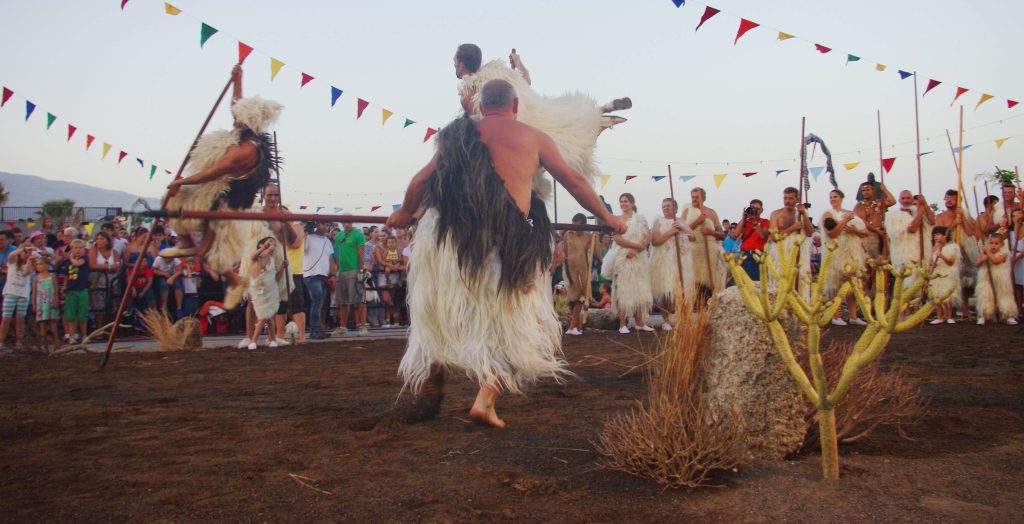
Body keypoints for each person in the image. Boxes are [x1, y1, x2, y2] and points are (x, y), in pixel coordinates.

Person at [387, 78, 625, 428]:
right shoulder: (534, 137)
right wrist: (607, 217)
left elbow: (421, 181)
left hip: (451, 243)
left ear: (482, 107)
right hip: (506, 247)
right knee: (520, 325)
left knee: (440, 312)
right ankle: (485, 400)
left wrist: (405, 214)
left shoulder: (458, 137)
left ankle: (434, 373)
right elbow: (574, 181)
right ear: (515, 107)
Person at [161, 64, 283, 309]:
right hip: (219, 192)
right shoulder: (242, 131)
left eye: (239, 115)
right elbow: (236, 103)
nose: (234, 116)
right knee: (170, 202)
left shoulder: (246, 149)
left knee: (207, 251)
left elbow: (213, 172)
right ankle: (185, 242)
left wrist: (181, 182)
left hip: (228, 200)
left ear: (247, 120)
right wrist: (238, 79)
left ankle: (235, 280)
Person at [454, 43, 630, 199]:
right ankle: (600, 110)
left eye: (454, 61)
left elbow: (478, 127)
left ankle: (600, 112)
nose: (454, 64)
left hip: (510, 135)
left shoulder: (468, 91)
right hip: (529, 118)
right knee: (564, 122)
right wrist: (518, 62)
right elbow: (527, 81)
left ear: (461, 64)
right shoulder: (499, 73)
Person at [602, 193, 654, 334]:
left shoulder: (641, 219)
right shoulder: (617, 220)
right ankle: (623, 323)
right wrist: (634, 247)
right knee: (622, 289)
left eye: (625, 201)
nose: (623, 203)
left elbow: (646, 236)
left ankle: (639, 322)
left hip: (639, 259)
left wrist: (636, 250)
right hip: (622, 257)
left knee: (639, 288)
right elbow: (617, 239)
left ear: (632, 203)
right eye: (621, 201)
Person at [820, 189, 868, 325]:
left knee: (853, 285)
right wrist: (845, 221)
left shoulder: (851, 213)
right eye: (831, 197)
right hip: (835, 253)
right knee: (835, 285)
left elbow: (865, 232)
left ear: (841, 198)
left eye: (835, 196)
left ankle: (853, 317)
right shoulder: (828, 214)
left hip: (852, 253)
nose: (833, 199)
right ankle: (835, 316)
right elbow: (831, 233)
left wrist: (855, 231)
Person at [649, 198, 695, 330]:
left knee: (682, 290)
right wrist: (671, 232)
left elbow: (693, 237)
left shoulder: (680, 221)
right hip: (665, 260)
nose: (665, 208)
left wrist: (683, 229)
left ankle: (684, 320)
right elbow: (655, 241)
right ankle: (666, 320)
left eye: (668, 206)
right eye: (663, 206)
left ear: (675, 208)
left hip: (681, 261)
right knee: (666, 292)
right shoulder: (658, 221)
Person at [935, 189, 979, 319]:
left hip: (964, 250)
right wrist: (953, 225)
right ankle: (949, 311)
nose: (949, 201)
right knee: (950, 280)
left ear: (958, 201)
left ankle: (964, 308)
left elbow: (970, 232)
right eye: (947, 198)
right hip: (949, 250)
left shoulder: (965, 214)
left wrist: (962, 217)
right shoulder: (941, 217)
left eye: (952, 198)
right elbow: (939, 235)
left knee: (965, 280)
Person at [767, 187, 814, 299]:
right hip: (782, 253)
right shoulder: (776, 214)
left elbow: (809, 233)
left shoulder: (802, 213)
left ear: (797, 199)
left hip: (799, 251)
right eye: (785, 198)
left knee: (800, 279)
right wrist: (793, 228)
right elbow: (774, 237)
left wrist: (804, 214)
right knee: (781, 280)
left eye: (790, 198)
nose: (787, 201)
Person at [885, 190, 934, 286]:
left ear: (912, 199)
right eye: (903, 198)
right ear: (899, 200)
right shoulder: (894, 216)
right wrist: (920, 213)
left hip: (921, 252)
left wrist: (925, 205)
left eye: (908, 198)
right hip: (905, 255)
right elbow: (912, 229)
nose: (906, 201)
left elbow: (932, 221)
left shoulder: (916, 211)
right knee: (908, 283)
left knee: (922, 283)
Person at [563, 213, 597, 335]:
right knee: (572, 299)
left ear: (583, 226)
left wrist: (595, 239)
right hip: (569, 269)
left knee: (580, 297)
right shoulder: (568, 235)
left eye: (577, 226)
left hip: (582, 269)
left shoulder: (588, 236)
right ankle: (577, 327)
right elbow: (564, 252)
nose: (575, 228)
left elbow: (595, 252)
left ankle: (573, 327)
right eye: (573, 225)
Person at [974, 233, 1019, 325]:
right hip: (986, 278)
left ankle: (1008, 315)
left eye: (996, 243)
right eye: (991, 243)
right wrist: (983, 258)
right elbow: (977, 264)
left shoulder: (1005, 253)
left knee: (1004, 296)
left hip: (1001, 278)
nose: (993, 245)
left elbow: (995, 261)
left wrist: (987, 252)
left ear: (1002, 244)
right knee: (985, 296)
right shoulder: (985, 253)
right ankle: (983, 315)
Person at [246, 237, 282, 349]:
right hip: (258, 289)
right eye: (270, 243)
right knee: (264, 315)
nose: (272, 246)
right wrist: (264, 248)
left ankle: (273, 339)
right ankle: (253, 341)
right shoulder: (258, 257)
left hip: (270, 289)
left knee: (269, 315)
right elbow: (253, 256)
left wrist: (283, 268)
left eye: (274, 244)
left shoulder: (272, 260)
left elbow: (276, 278)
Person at [334, 218, 367, 335]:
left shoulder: (358, 234)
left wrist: (361, 270)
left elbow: (361, 253)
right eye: (344, 222)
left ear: (352, 222)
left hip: (355, 269)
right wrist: (337, 270)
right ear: (342, 223)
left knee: (359, 299)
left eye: (348, 221)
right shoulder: (338, 236)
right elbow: (337, 254)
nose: (346, 224)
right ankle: (343, 326)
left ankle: (363, 327)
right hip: (341, 270)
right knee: (342, 301)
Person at [302, 221, 334, 340]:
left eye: (326, 224)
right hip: (311, 274)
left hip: (324, 275)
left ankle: (317, 328)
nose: (325, 226)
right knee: (317, 299)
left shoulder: (328, 241)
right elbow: (303, 247)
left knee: (319, 302)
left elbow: (330, 259)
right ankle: (314, 329)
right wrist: (305, 231)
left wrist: (333, 275)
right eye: (322, 224)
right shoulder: (309, 237)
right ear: (317, 225)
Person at [0, 243, 35, 349]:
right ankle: (1, 341)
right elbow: (11, 254)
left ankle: (19, 341)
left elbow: (26, 272)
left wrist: (29, 259)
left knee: (20, 319)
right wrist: (24, 248)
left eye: (28, 253)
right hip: (10, 293)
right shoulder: (12, 262)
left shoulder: (31, 264)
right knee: (6, 318)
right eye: (24, 252)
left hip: (23, 294)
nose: (26, 254)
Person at [853, 178, 896, 263]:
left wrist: (884, 189)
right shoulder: (859, 206)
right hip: (869, 235)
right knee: (873, 263)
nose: (865, 192)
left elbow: (892, 201)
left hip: (882, 234)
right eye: (863, 190)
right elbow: (863, 222)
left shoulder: (879, 203)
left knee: (885, 262)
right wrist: (877, 231)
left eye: (868, 190)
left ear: (873, 191)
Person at [88, 231, 122, 328]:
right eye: (98, 239)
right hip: (98, 282)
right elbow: (93, 265)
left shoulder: (114, 251)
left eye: (102, 239)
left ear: (107, 241)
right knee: (99, 306)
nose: (99, 241)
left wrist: (107, 267)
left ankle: (110, 328)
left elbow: (117, 265)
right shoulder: (93, 251)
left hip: (113, 282)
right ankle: (99, 327)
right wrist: (109, 267)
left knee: (112, 305)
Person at [731, 198, 770, 282]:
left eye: (757, 209)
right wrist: (743, 218)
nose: (755, 211)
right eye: (753, 208)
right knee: (745, 283)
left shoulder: (765, 222)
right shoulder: (745, 222)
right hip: (745, 254)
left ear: (762, 210)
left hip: (758, 254)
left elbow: (763, 236)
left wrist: (756, 223)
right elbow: (736, 234)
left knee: (758, 283)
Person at [928, 226, 960, 324]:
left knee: (947, 295)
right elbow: (930, 261)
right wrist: (932, 264)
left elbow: (951, 262)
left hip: (947, 273)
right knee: (937, 295)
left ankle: (949, 316)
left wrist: (942, 256)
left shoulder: (953, 247)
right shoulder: (934, 248)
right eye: (934, 235)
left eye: (938, 234)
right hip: (937, 273)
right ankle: (939, 316)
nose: (936, 237)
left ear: (945, 235)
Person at [61, 239, 90, 344]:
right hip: (71, 291)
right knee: (70, 314)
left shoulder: (85, 258)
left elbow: (78, 263)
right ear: (72, 249)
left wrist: (70, 258)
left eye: (81, 248)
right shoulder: (68, 262)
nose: (78, 250)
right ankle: (72, 335)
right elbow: (66, 275)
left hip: (82, 290)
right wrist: (64, 286)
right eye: (76, 248)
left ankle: (84, 335)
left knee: (82, 314)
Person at [31, 256, 60, 348]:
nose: (39, 266)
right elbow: (34, 292)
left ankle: (56, 340)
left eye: (41, 264)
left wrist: (56, 300)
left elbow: (55, 290)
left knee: (53, 322)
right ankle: (43, 342)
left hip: (50, 302)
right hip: (41, 303)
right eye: (37, 264)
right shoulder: (36, 278)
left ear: (47, 265)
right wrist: (34, 303)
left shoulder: (52, 277)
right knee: (42, 322)